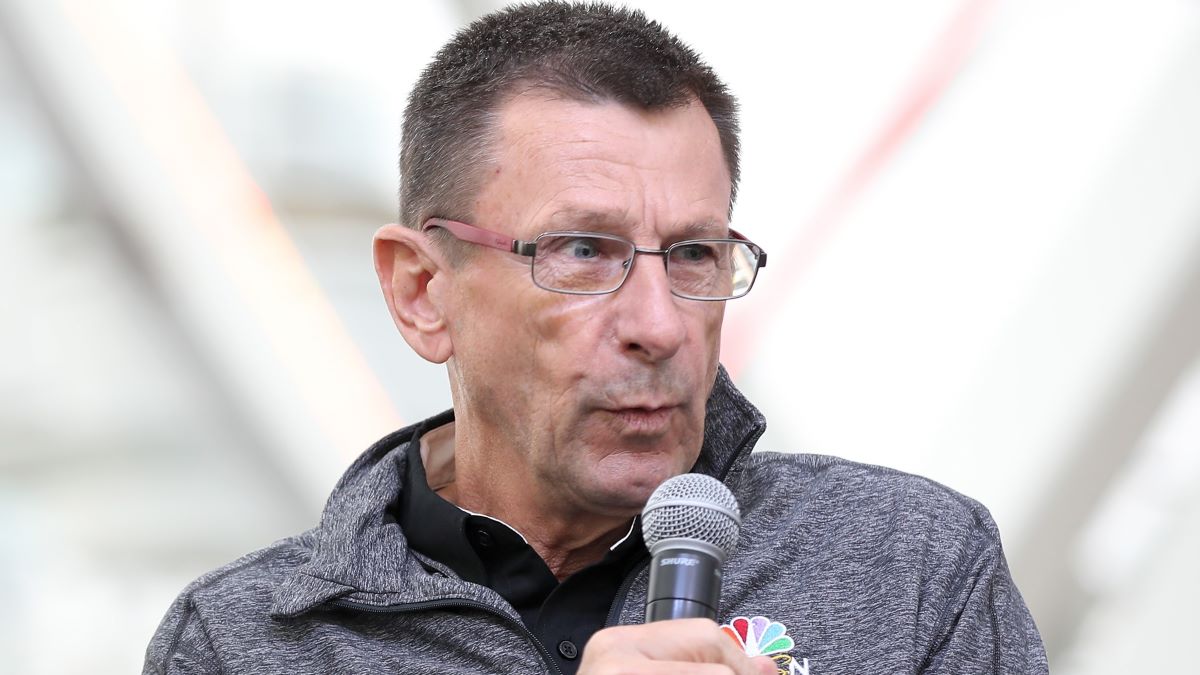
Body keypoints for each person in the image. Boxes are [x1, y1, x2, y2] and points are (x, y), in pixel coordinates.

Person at [144, 3, 1048, 674]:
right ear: (423, 291)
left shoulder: (910, 566)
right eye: (583, 251)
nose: (660, 325)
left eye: (695, 252)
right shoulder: (246, 641)